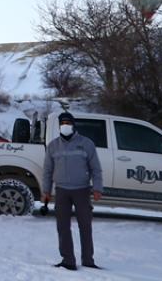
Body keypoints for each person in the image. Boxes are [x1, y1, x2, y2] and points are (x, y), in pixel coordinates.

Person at [43, 111, 104, 270]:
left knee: (85, 226)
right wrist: (46, 191)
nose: (65, 126)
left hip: (82, 190)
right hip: (61, 191)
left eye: (68, 123)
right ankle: (68, 260)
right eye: (62, 123)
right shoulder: (53, 146)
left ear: (73, 125)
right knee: (63, 227)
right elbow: (47, 171)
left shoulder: (86, 144)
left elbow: (96, 169)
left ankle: (88, 260)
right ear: (59, 126)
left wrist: (97, 188)